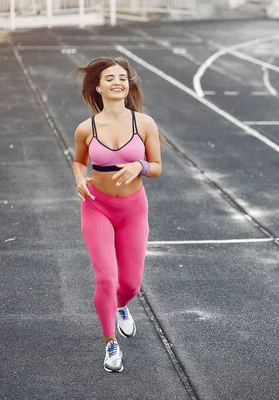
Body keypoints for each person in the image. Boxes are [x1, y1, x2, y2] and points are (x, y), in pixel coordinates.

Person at [73, 57, 162, 372]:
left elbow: (157, 168)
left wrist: (140, 165)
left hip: (133, 209)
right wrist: (79, 178)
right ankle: (111, 344)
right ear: (98, 87)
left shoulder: (144, 123)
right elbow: (79, 161)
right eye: (110, 78)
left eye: (122, 78)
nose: (117, 82)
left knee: (130, 284)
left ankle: (122, 306)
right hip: (97, 206)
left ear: (128, 85)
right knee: (106, 278)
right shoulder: (87, 128)